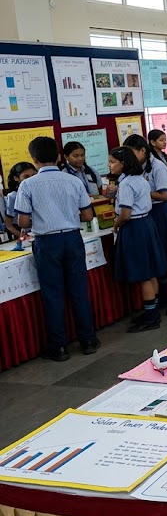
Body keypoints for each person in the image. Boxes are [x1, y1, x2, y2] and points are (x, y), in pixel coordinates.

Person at [14, 137, 98, 360]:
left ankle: (59, 347)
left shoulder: (27, 185)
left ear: (34, 159)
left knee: (53, 294)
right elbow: (88, 215)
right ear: (59, 156)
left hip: (46, 242)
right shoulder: (72, 181)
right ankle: (88, 340)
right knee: (79, 291)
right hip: (72, 238)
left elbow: (23, 223)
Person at [124, 134, 167, 316]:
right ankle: (164, 298)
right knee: (158, 257)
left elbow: (163, 195)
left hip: (162, 213)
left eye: (131, 153)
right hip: (149, 215)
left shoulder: (158, 167)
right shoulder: (136, 169)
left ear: (143, 150)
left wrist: (142, 190)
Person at [107, 146, 167, 333]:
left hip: (134, 227)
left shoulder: (126, 184)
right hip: (146, 223)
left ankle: (151, 316)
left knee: (143, 274)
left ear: (123, 164)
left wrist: (116, 225)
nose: (110, 166)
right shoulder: (139, 179)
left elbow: (125, 214)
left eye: (112, 162)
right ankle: (153, 310)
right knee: (150, 271)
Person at [4, 162, 36, 240]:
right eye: (26, 177)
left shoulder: (38, 191)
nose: (30, 179)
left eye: (33, 176)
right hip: (23, 234)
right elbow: (8, 225)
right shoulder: (13, 196)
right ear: (16, 178)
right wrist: (23, 237)